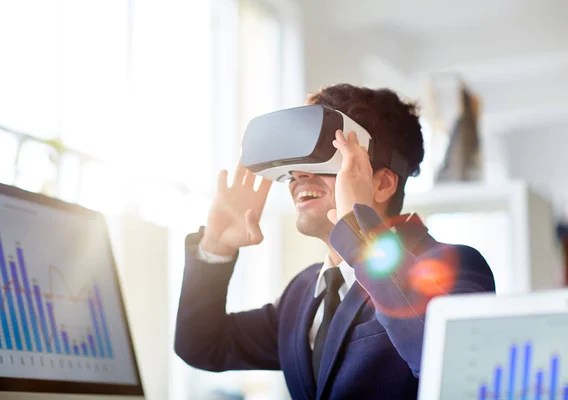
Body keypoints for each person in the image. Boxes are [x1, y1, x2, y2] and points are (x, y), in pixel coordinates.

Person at [174, 84, 496, 399]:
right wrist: (215, 247)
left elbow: (448, 365)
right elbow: (203, 344)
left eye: (324, 159)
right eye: (296, 168)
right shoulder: (301, 295)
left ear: (382, 184)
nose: (299, 176)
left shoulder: (454, 265)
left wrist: (359, 229)